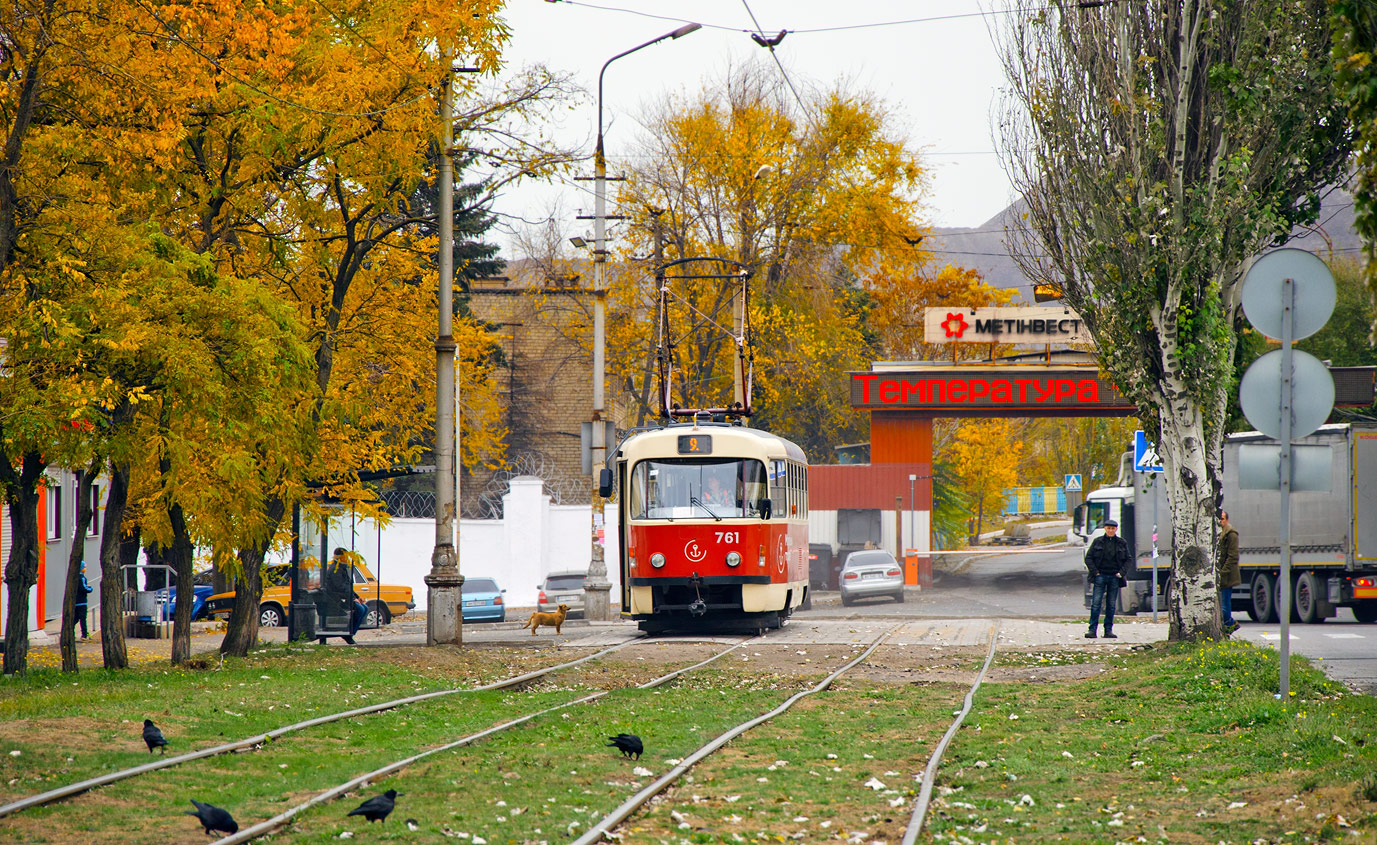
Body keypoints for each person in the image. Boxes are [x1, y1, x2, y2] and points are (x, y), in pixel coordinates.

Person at [1085, 518, 1131, 639]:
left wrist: (1121, 573)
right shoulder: (1097, 542)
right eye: (1108, 528)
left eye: (1113, 528)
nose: (1110, 530)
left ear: (1116, 529)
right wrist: (1095, 572)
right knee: (1096, 604)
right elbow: (1088, 558)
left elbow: (1128, 559)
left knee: (1111, 605)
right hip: (1100, 576)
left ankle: (1108, 630)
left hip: (1114, 577)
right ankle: (1092, 630)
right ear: (1105, 529)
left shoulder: (1121, 543)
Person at [1218, 510, 1241, 634]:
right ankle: (1228, 628)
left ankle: (1231, 625)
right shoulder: (1218, 533)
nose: (1220, 521)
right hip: (1220, 575)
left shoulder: (1231, 534)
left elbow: (1232, 556)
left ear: (1227, 520)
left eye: (1222, 519)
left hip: (1227, 576)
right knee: (1221, 606)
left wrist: (1222, 572)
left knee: (1225, 607)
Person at [73, 563, 93, 640]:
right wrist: (90, 589)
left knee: (75, 618)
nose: (85, 569)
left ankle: (71, 632)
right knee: (83, 618)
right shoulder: (82, 578)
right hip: (82, 602)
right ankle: (84, 635)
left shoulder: (74, 577)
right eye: (84, 567)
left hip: (76, 602)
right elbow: (84, 588)